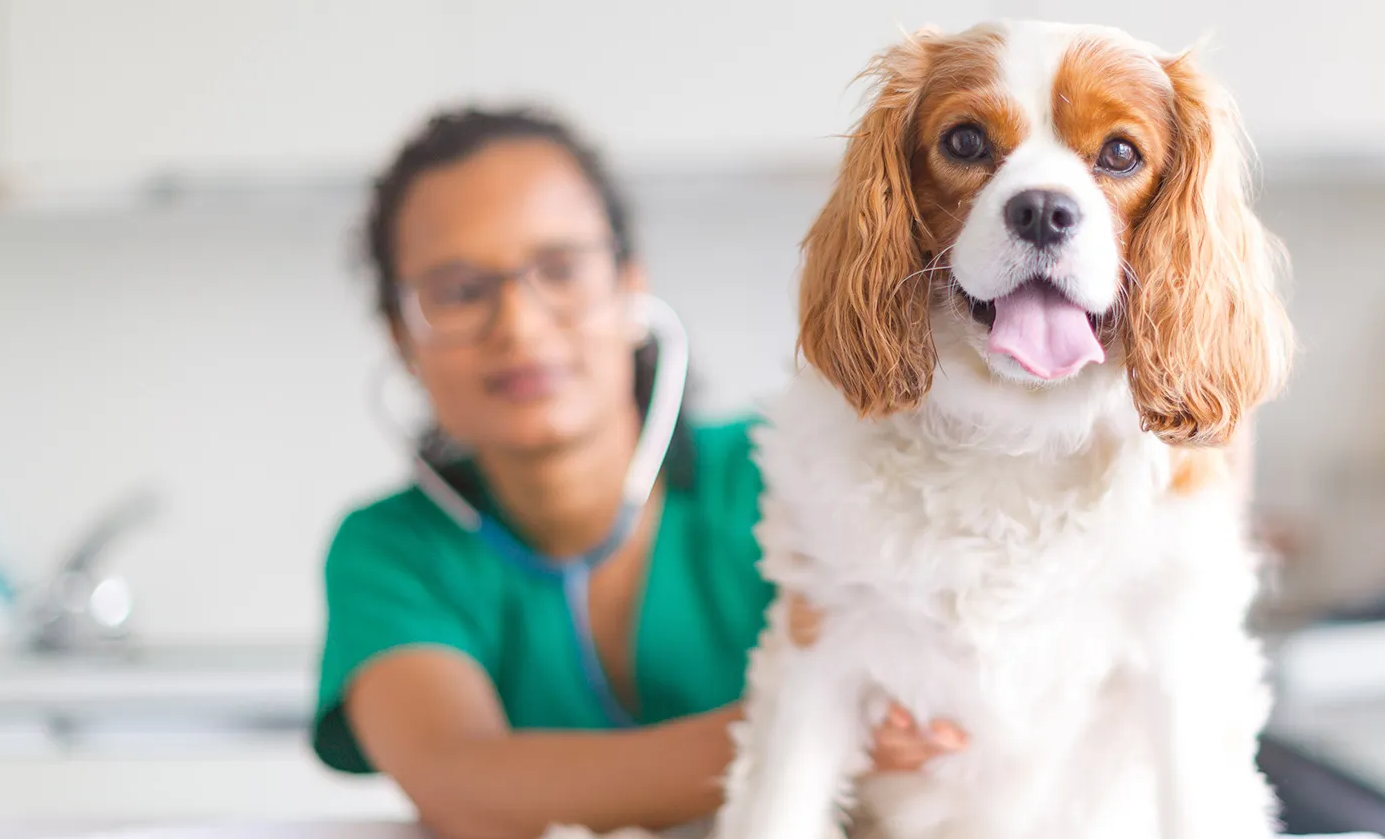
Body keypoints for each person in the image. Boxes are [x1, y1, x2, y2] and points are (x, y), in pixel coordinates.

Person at [312, 107, 964, 839]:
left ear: (629, 287)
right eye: (460, 292)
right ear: (404, 340)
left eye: (559, 270)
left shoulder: (803, 473)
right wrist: (811, 728)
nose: (519, 327)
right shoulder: (390, 552)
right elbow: (462, 787)